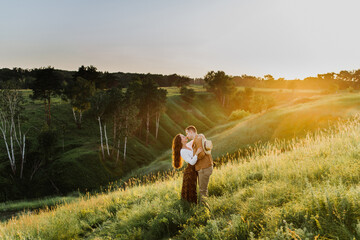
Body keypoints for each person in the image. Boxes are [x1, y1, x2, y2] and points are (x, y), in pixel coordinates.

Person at [185, 125, 213, 206]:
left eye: (187, 133)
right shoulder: (199, 137)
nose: (187, 136)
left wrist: (194, 155)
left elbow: (201, 154)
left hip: (204, 167)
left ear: (191, 132)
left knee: (202, 190)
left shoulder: (198, 139)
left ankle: (205, 209)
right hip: (204, 167)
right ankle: (204, 207)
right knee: (203, 189)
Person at [172, 133, 202, 204]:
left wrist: (192, 135)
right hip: (190, 172)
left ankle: (192, 206)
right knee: (191, 191)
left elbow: (196, 138)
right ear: (180, 141)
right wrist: (197, 153)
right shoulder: (183, 151)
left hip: (194, 170)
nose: (185, 137)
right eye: (183, 137)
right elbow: (191, 162)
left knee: (193, 189)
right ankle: (191, 207)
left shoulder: (188, 145)